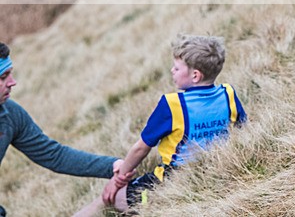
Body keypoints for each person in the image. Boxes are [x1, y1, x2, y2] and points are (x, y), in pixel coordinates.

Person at [73, 34, 246, 216]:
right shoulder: (228, 94)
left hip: (174, 180)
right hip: (217, 170)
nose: (172, 70)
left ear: (195, 75)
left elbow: (141, 148)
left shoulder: (172, 105)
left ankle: (151, 207)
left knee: (111, 198)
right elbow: (242, 129)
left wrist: (116, 181)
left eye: (177, 68)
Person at [0, 42, 124, 216]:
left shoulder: (11, 115)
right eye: (3, 76)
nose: (12, 83)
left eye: (10, 74)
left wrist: (112, 166)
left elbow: (54, 155)